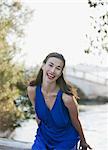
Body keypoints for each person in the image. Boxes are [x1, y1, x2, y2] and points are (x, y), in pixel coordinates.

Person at [27, 52, 92, 150]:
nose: (53, 71)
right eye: (50, 65)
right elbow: (38, 115)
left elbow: (76, 121)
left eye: (58, 68)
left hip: (66, 140)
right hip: (44, 137)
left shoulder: (67, 98)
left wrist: (83, 142)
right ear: (43, 66)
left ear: (61, 73)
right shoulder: (32, 90)